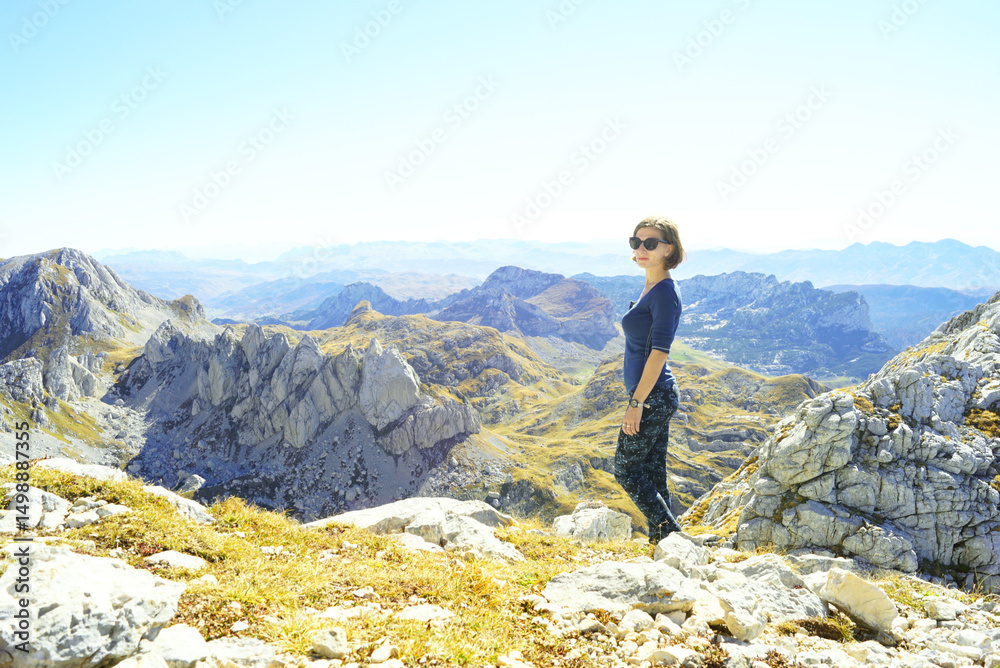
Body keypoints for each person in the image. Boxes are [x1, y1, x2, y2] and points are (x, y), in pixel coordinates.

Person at [614, 216, 685, 544]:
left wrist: (636, 404)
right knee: (653, 474)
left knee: (627, 471)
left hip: (652, 396)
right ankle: (665, 545)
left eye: (650, 243)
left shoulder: (664, 293)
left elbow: (659, 353)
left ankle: (672, 536)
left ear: (668, 249)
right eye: (636, 242)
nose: (641, 248)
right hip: (656, 394)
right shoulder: (652, 287)